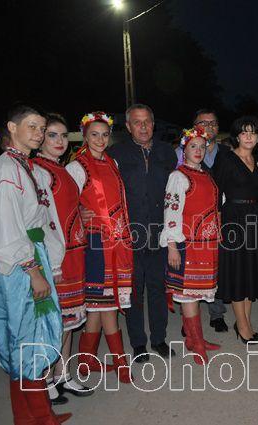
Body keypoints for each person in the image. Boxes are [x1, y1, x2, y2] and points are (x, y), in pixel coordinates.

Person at [0, 104, 70, 423]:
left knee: (31, 337)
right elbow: (7, 230)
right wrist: (33, 271)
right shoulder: (7, 171)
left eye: (41, 128)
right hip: (21, 264)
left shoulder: (27, 167)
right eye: (32, 126)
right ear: (12, 128)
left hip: (34, 255)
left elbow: (42, 219)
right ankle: (38, 416)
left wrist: (49, 262)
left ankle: (31, 415)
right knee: (27, 338)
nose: (38, 133)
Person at [66, 112, 134, 384]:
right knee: (108, 303)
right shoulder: (76, 166)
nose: (100, 139)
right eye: (94, 134)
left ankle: (86, 361)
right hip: (95, 242)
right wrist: (79, 212)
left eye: (105, 134)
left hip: (118, 239)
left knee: (97, 305)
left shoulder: (112, 161)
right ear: (84, 135)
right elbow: (64, 205)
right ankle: (120, 361)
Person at [108, 104, 177, 361]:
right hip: (130, 235)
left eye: (147, 121)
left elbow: (179, 187)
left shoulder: (167, 152)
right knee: (134, 291)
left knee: (158, 288)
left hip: (159, 232)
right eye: (137, 122)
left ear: (154, 124)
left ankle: (159, 339)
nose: (143, 126)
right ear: (128, 126)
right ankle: (138, 343)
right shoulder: (115, 153)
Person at [33, 114, 94, 401]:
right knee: (53, 323)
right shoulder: (38, 171)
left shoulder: (60, 169)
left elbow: (65, 206)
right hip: (56, 257)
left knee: (69, 320)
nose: (59, 141)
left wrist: (79, 212)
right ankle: (45, 379)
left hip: (73, 252)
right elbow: (40, 220)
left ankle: (63, 375)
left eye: (63, 135)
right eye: (52, 135)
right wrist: (49, 263)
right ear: (40, 138)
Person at [160, 126, 221, 364]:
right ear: (184, 150)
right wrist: (172, 246)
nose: (198, 150)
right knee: (188, 295)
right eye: (193, 146)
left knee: (197, 294)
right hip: (188, 245)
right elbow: (171, 213)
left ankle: (196, 339)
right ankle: (196, 343)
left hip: (206, 244)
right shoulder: (178, 176)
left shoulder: (205, 174)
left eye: (202, 147)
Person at [212, 116, 258, 343]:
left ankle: (245, 321)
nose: (249, 136)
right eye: (244, 132)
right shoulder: (226, 158)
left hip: (255, 219)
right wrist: (218, 223)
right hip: (233, 219)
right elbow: (215, 192)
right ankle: (242, 325)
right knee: (238, 272)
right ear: (237, 136)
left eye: (253, 132)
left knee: (250, 272)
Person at [174, 108, 229, 332]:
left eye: (212, 123)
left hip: (215, 223)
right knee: (189, 278)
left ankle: (216, 315)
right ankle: (190, 326)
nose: (208, 127)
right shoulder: (179, 156)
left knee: (212, 271)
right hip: (189, 227)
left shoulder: (226, 153)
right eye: (203, 123)